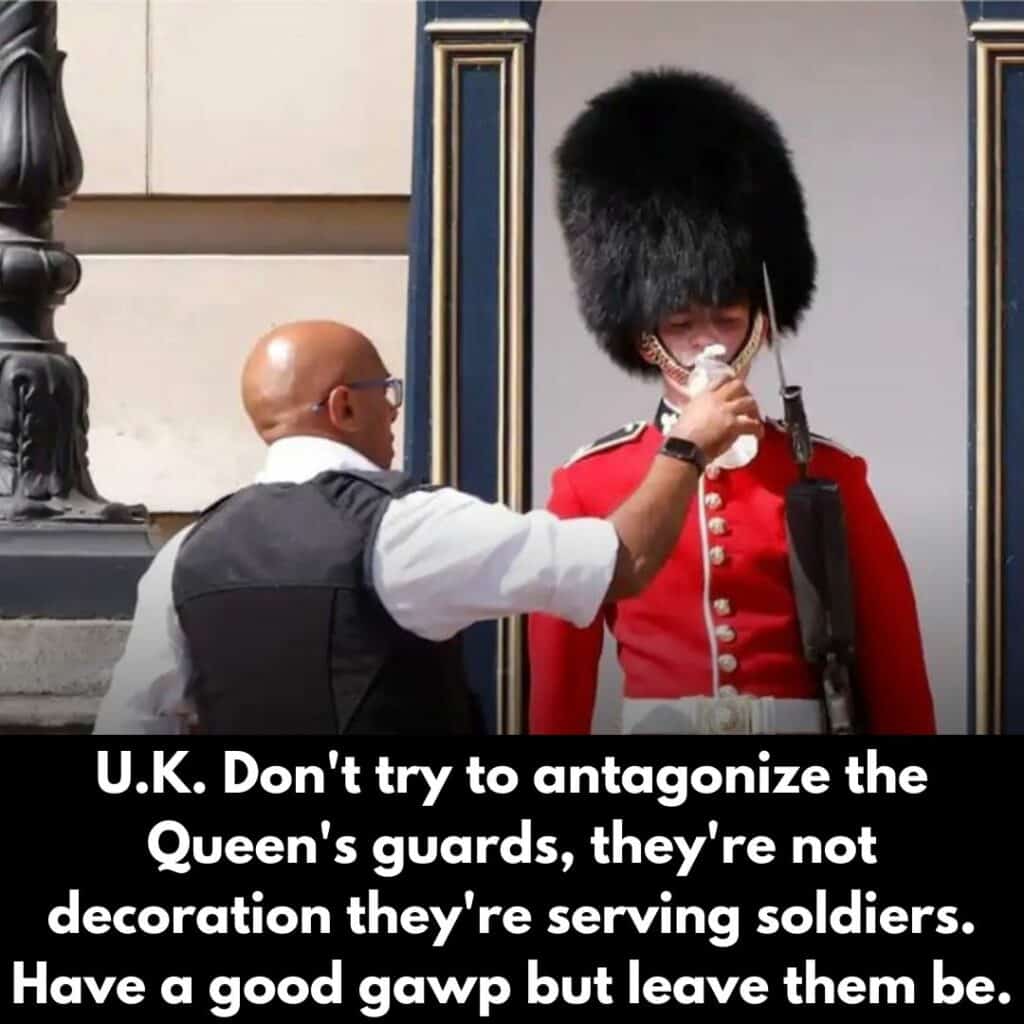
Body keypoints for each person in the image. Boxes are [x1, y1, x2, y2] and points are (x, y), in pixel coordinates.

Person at [93, 318, 761, 734]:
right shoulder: (402, 526)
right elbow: (621, 562)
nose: (394, 413)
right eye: (386, 393)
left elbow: (132, 724)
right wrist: (686, 446)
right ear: (343, 407)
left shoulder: (185, 553)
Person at [527, 68, 937, 736]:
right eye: (682, 323)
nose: (707, 342)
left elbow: (898, 679)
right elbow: (557, 693)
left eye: (726, 318)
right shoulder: (588, 484)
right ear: (645, 336)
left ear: (760, 324)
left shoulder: (829, 473)